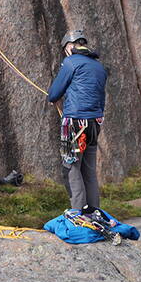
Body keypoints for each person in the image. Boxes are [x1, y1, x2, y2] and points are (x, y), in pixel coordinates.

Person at [47, 29, 108, 218]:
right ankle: (94, 212)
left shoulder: (70, 62)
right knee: (88, 170)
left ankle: (78, 214)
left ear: (70, 46)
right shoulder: (99, 67)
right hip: (94, 124)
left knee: (71, 168)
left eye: (66, 48)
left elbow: (54, 93)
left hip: (75, 123)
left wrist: (55, 97)